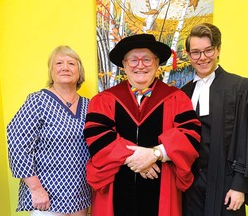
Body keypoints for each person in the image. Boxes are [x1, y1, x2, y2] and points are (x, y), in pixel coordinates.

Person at [84, 34, 201, 216]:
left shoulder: (177, 98)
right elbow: (97, 138)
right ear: (124, 64)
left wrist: (155, 154)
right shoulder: (104, 100)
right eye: (133, 60)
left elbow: (190, 136)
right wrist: (139, 159)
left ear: (156, 63)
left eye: (147, 59)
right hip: (115, 190)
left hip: (163, 190)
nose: (140, 65)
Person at [181, 23, 248, 216]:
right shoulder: (183, 93)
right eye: (196, 52)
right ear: (188, 55)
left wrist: (240, 186)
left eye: (208, 50)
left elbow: (247, 140)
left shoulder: (242, 88)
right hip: (191, 187)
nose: (202, 57)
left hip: (226, 184)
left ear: (218, 50)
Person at [7, 45, 92, 216]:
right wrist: (36, 189)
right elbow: (17, 145)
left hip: (80, 194)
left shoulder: (89, 105)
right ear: (51, 71)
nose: (65, 68)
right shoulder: (37, 101)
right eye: (59, 63)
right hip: (46, 195)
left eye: (71, 63)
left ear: (79, 71)